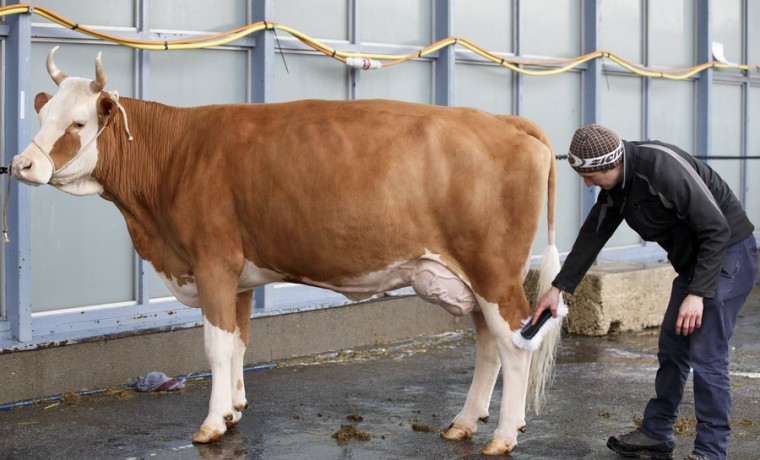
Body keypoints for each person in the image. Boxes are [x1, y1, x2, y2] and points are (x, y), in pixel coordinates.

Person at [533, 124, 757, 460]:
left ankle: (711, 451)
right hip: (696, 264)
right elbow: (593, 235)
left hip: (728, 256)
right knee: (672, 346)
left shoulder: (661, 169)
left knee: (707, 357)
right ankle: (657, 431)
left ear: (610, 165)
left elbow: (716, 228)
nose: (587, 184)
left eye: (590, 176)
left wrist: (697, 293)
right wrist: (558, 288)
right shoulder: (618, 188)